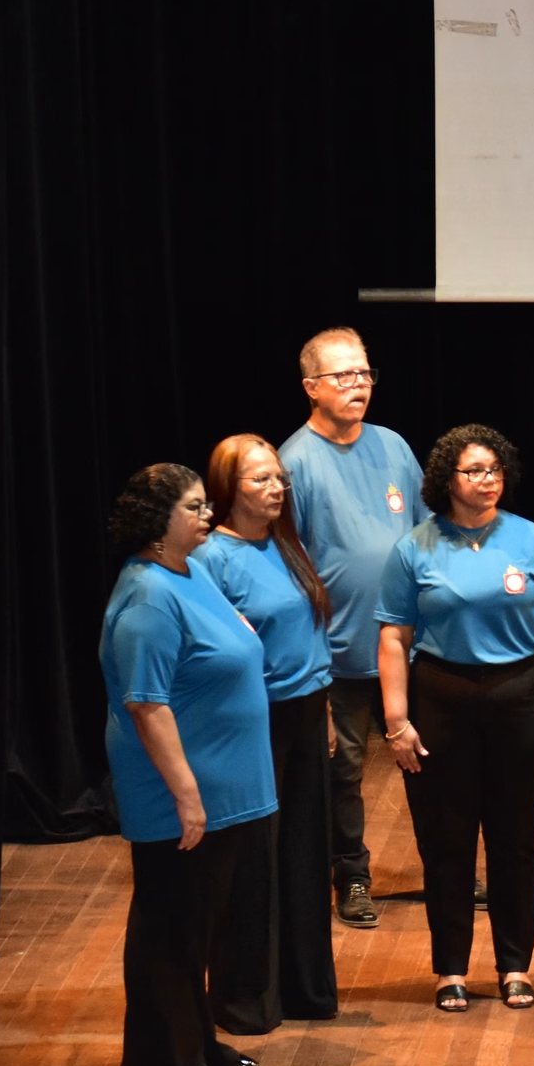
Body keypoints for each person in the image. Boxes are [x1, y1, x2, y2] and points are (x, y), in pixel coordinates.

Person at [376, 426, 534, 1012]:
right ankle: (451, 970)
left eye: (494, 470)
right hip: (442, 698)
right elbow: (394, 636)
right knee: (447, 841)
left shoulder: (533, 540)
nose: (487, 481)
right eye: (474, 471)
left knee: (514, 840)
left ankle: (515, 965)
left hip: (520, 695)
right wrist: (396, 719)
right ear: (447, 480)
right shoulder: (416, 547)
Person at [99, 465, 272, 1066]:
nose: (207, 515)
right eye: (194, 508)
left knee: (197, 925)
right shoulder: (147, 597)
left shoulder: (191, 571)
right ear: (157, 523)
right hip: (178, 793)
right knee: (169, 926)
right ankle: (159, 1059)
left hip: (224, 787)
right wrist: (187, 796)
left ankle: (197, 1040)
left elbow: (232, 641)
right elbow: (146, 704)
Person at [279, 327, 427, 929]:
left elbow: (424, 536)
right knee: (342, 774)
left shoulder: (393, 446)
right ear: (312, 387)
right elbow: (293, 573)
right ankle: (353, 875)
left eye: (364, 373)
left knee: (431, 760)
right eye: (343, 376)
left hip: (410, 649)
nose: (358, 385)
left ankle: (446, 867)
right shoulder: (295, 463)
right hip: (337, 654)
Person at [194, 435, 340, 1033]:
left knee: (305, 856)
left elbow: (308, 637)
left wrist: (325, 710)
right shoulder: (211, 559)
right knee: (253, 864)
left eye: (279, 478)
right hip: (253, 722)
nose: (276, 488)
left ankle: (304, 990)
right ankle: (244, 998)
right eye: (260, 480)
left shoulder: (286, 545)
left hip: (305, 714)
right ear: (229, 489)